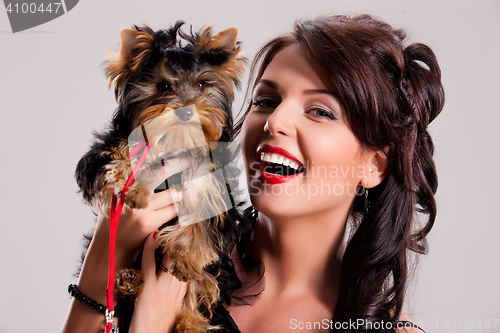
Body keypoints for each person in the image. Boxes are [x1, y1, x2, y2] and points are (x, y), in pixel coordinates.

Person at [62, 14, 444, 333]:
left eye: (320, 111)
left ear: (373, 165)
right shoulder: (176, 245)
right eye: (265, 100)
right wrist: (105, 255)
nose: (275, 121)